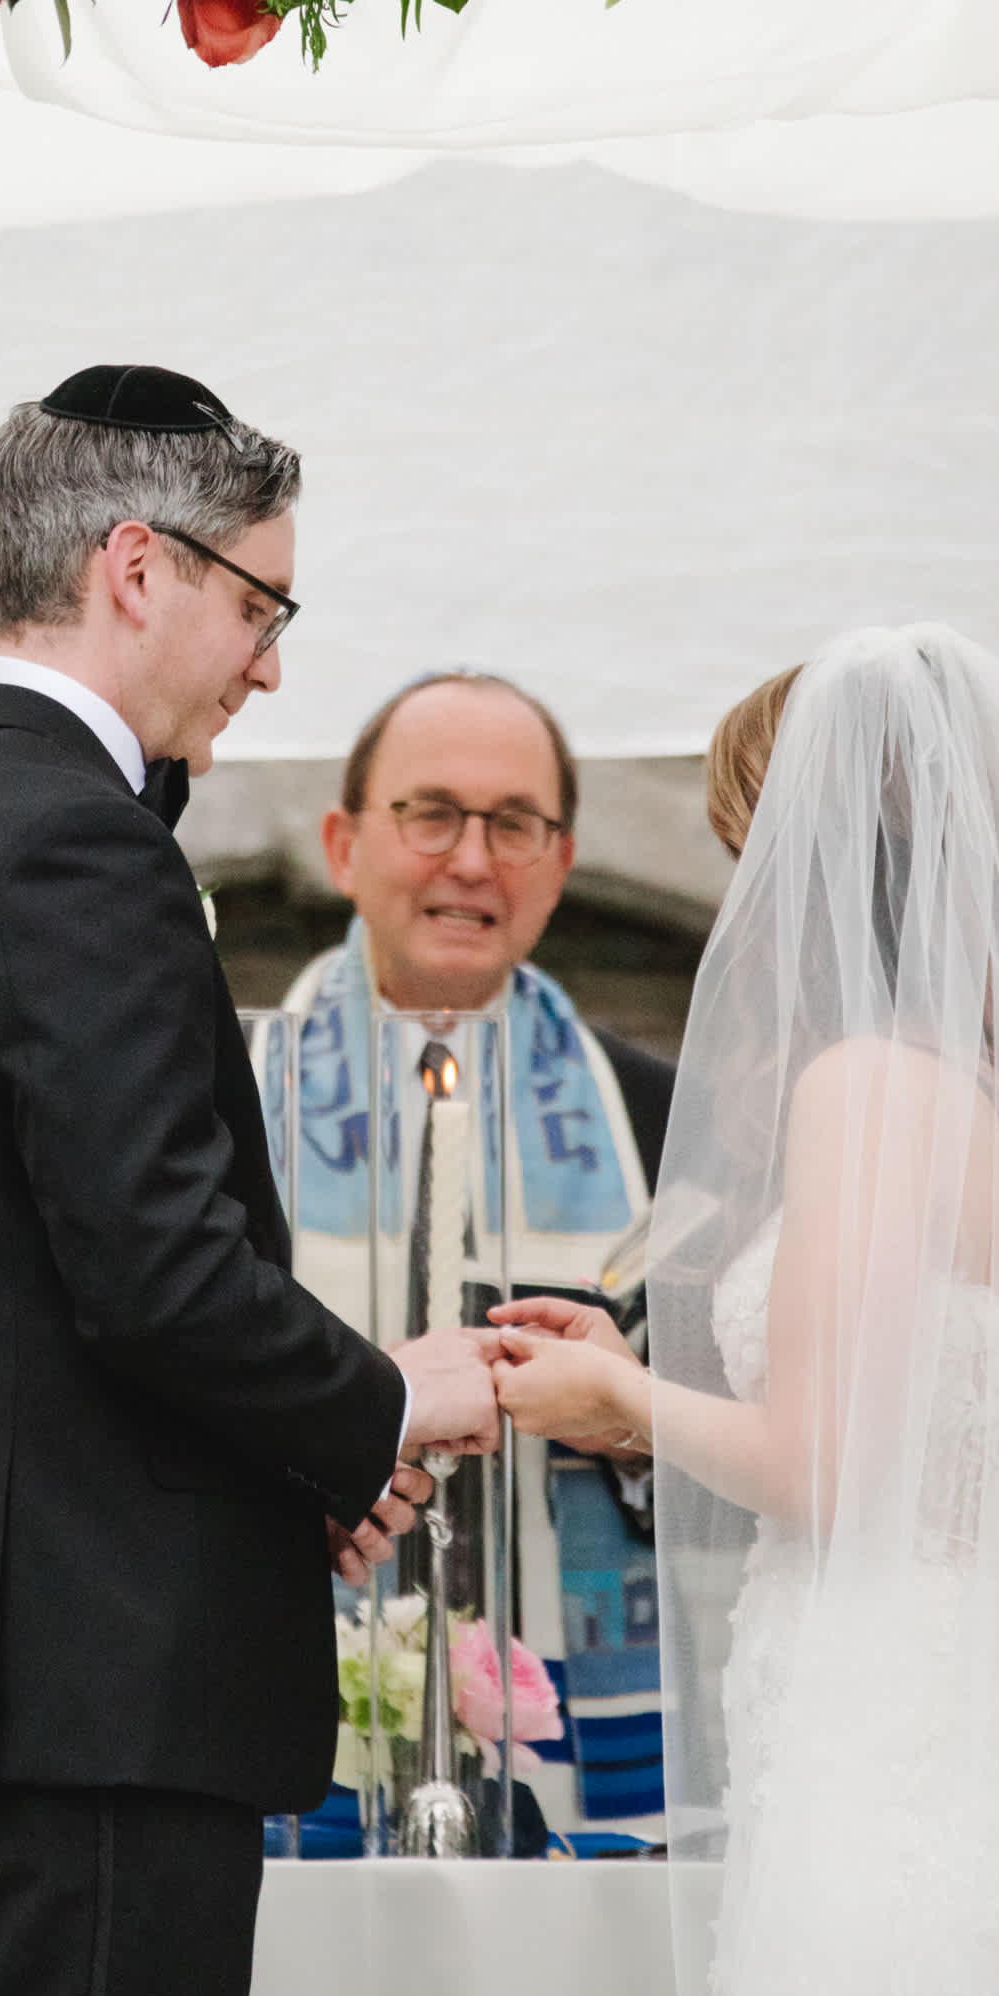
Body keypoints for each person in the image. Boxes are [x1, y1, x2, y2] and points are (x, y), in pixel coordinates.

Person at [0, 367, 505, 1996]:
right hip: (98, 1680)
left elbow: (60, 1282)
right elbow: (153, 1268)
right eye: (261, 604)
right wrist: (386, 1399)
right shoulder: (72, 840)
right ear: (138, 568)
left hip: (42, 1662)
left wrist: (302, 1465)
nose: (269, 663)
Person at [487, 631, 999, 1996]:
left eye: (751, 855)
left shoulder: (866, 1088)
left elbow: (819, 1467)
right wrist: (631, 1371)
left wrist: (618, 1397)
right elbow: (924, 1408)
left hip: (893, 1730)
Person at [282, 670, 677, 1838]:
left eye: (513, 824)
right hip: (288, 1707)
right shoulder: (223, 1104)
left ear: (561, 862)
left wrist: (631, 1424)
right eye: (431, 814)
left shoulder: (657, 1118)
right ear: (344, 845)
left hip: (570, 1713)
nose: (471, 859)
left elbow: (749, 1446)